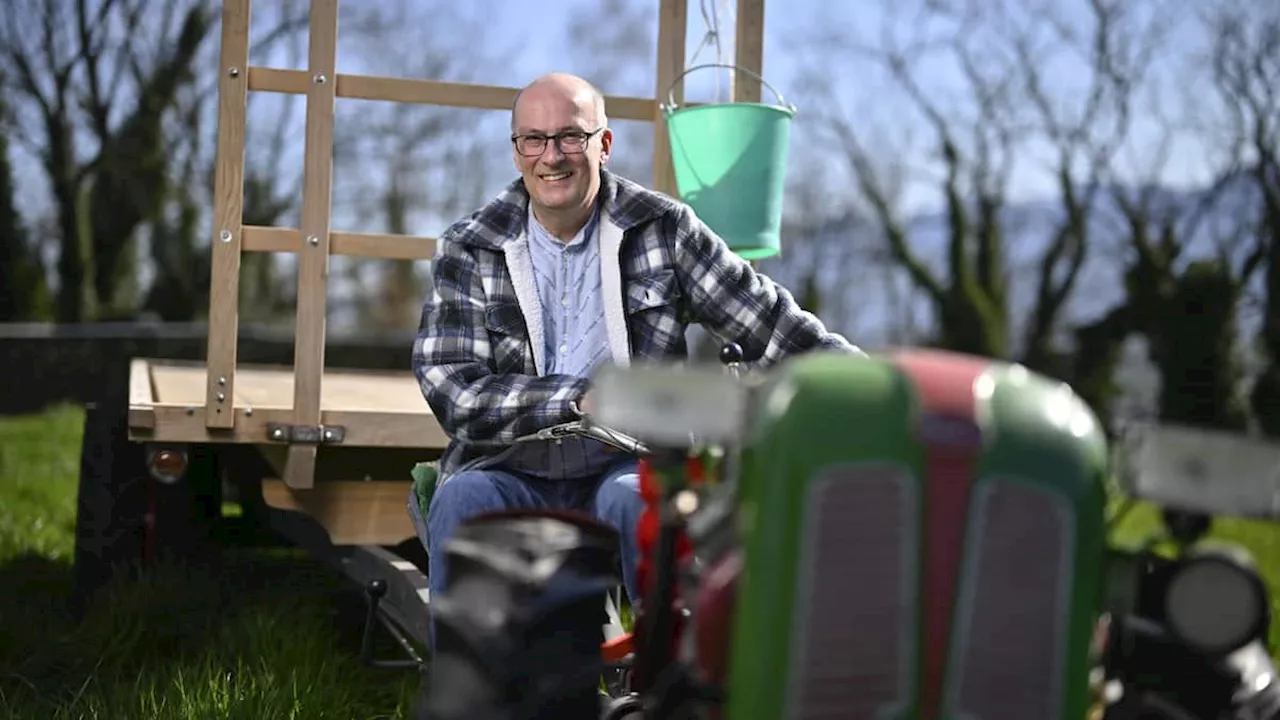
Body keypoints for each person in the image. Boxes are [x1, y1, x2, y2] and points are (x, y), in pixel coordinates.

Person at [409, 71, 859, 608]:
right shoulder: (470, 246)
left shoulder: (663, 228)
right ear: (516, 151)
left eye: (571, 136)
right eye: (534, 139)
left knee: (646, 507)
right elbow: (454, 391)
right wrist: (578, 400)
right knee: (462, 502)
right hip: (504, 466)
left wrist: (873, 389)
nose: (552, 156)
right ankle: (477, 691)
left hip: (628, 461)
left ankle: (663, 683)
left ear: (604, 144)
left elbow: (771, 324)